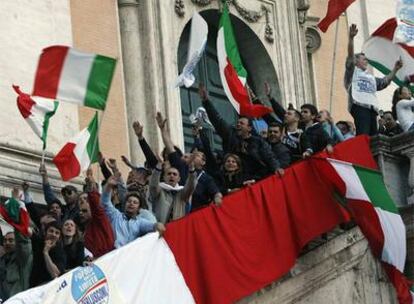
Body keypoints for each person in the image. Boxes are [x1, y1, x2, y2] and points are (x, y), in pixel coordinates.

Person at [199, 84, 283, 180]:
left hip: (256, 178)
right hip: (235, 179)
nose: (238, 124)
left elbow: (269, 157)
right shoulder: (231, 135)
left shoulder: (258, 142)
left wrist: (276, 168)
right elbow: (218, 121)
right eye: (237, 123)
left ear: (249, 128)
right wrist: (206, 101)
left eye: (242, 123)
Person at [155, 112, 223, 210]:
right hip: (179, 210)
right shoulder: (181, 167)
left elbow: (216, 193)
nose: (190, 156)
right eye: (185, 156)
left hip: (197, 215)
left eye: (196, 155)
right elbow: (170, 147)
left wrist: (218, 198)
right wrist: (162, 130)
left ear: (203, 162)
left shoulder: (206, 178)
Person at [345, 23, 403, 136]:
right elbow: (350, 56)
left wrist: (395, 69)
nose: (367, 61)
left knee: (374, 136)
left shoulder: (370, 78)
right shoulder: (352, 72)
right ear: (356, 61)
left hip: (372, 109)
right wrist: (351, 38)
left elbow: (384, 82)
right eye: (364, 59)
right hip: (359, 105)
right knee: (363, 133)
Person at [101, 175, 165, 248]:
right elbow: (105, 202)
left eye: (135, 202)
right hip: (115, 254)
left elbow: (152, 226)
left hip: (131, 256)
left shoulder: (140, 222)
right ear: (125, 204)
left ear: (138, 208)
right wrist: (108, 186)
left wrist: (157, 225)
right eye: (129, 201)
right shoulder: (115, 215)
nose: (131, 203)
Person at [79, 170, 115, 258]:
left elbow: (97, 206)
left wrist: (92, 186)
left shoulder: (101, 220)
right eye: (80, 211)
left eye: (84, 211)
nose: (81, 213)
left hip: (107, 261)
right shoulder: (84, 230)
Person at [149, 159, 198, 223]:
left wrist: (191, 169)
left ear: (179, 179)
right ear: (164, 177)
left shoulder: (182, 192)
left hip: (178, 228)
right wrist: (159, 166)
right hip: (161, 228)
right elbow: (153, 185)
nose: (171, 176)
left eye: (175, 174)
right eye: (169, 174)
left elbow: (191, 185)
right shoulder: (159, 190)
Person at [30, 221, 66, 287]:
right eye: (51, 231)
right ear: (45, 232)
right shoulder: (38, 242)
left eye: (57, 233)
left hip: (49, 288)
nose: (53, 234)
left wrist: (46, 253)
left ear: (59, 237)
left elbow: (55, 274)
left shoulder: (60, 252)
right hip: (33, 286)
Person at [0, 230, 32, 301]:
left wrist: (19, 228)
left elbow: (23, 244)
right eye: (5, 241)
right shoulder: (2, 261)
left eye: (11, 240)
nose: (7, 243)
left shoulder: (22, 259)